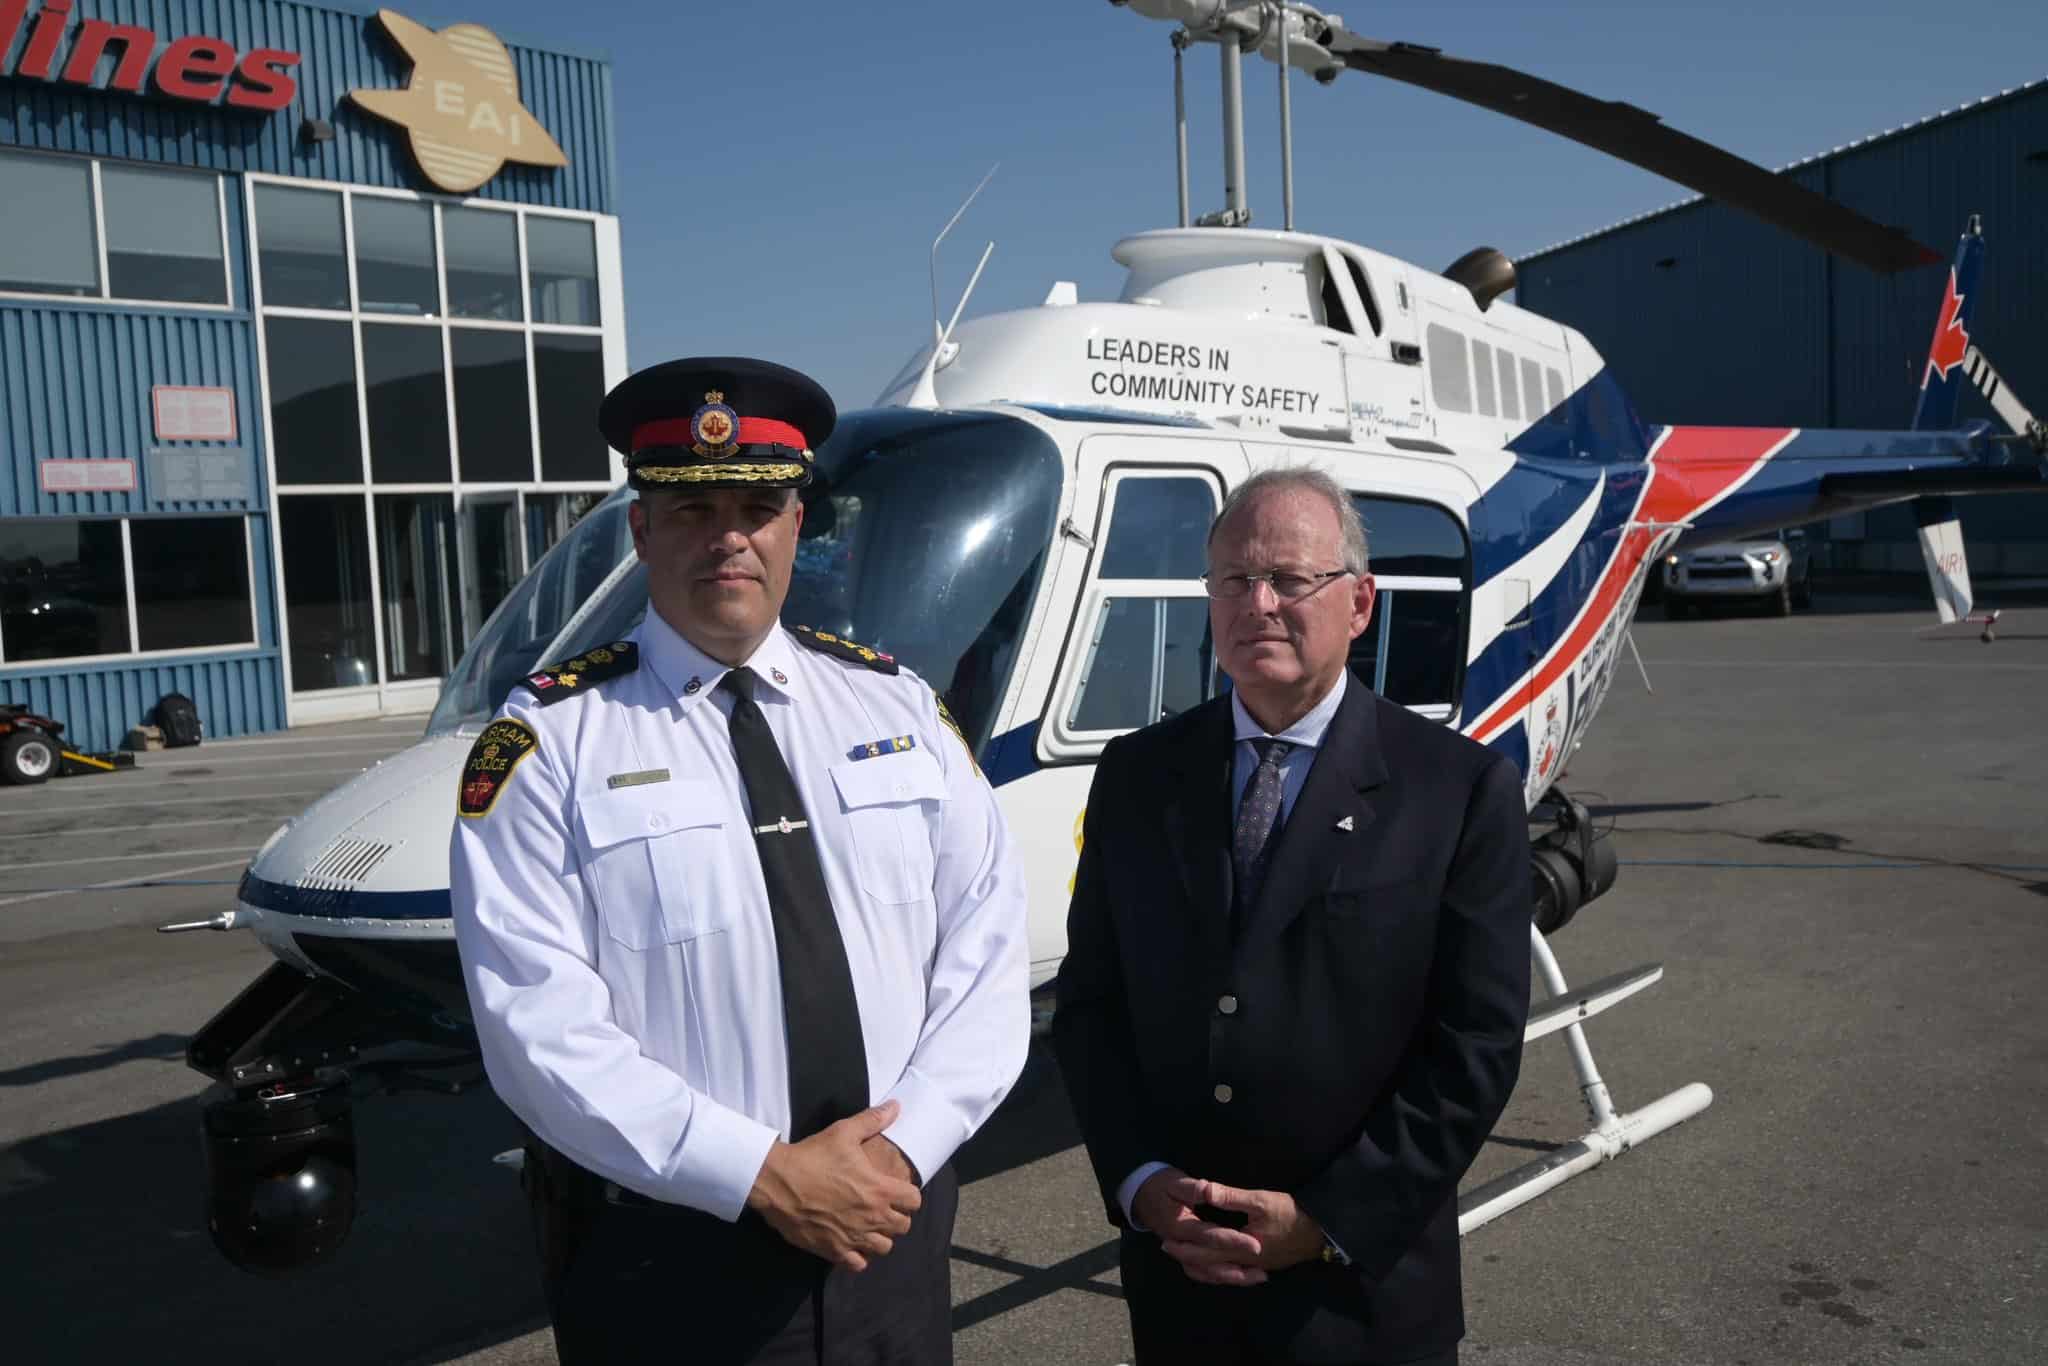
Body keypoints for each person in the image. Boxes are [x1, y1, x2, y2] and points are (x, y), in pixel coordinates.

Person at [449, 357, 1030, 1365]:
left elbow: (983, 957)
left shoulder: (897, 711)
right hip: (670, 1264)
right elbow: (534, 1025)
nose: (727, 535)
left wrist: (900, 1148)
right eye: (689, 508)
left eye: (757, 506)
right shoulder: (547, 747)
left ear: (796, 524)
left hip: (887, 1234)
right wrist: (763, 1174)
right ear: (639, 532)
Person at [1051, 467, 1529, 1366]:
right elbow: (1092, 1008)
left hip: (1361, 1298)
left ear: (1358, 603)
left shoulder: (1456, 791)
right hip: (1180, 1284)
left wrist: (1323, 1221)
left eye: (1290, 579)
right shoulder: (1138, 776)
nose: (1258, 603)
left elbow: (1475, 1048)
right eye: (1233, 579)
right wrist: (1141, 1183)